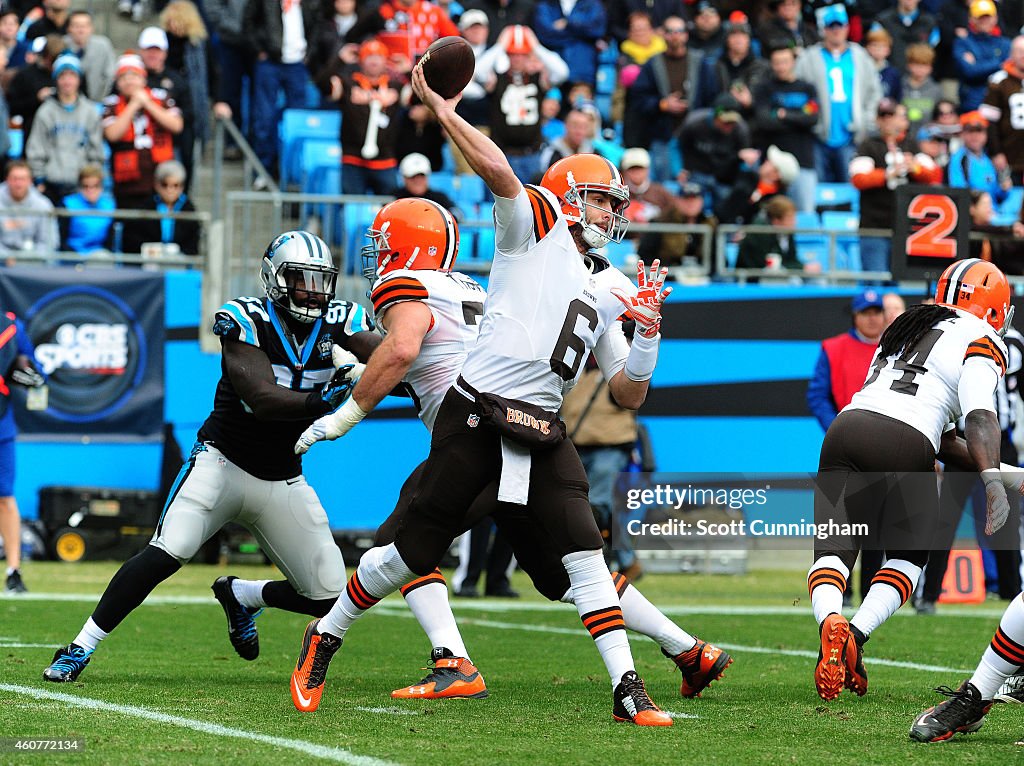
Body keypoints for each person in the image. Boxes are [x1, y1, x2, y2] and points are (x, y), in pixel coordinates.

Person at [286, 56, 687, 726]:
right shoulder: (536, 229)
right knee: (410, 551)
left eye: (615, 202)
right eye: (600, 197)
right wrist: (445, 112)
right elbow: (501, 173)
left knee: (585, 552)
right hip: (475, 413)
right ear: (566, 198)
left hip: (542, 426)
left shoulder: (615, 284)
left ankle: (628, 688)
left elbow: (628, 395)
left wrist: (647, 334)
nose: (612, 210)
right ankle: (325, 634)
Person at [293, 196, 731, 705]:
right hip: (526, 426)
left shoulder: (410, 284)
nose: (379, 254)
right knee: (564, 568)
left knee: (406, 542)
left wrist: (346, 411)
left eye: (384, 243)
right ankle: (686, 650)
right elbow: (428, 359)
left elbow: (405, 350)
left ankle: (439, 657)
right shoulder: (473, 287)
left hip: (476, 429)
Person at [41, 231, 376, 683]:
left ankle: (242, 595)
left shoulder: (345, 319)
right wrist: (325, 398)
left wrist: (395, 354)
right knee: (167, 552)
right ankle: (79, 647)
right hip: (221, 464)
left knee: (330, 595)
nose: (312, 293)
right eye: (301, 280)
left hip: (282, 477)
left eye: (321, 282)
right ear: (275, 279)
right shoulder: (246, 318)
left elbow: (391, 361)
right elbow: (261, 397)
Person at [809, 259, 1014, 702]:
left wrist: (1007, 474)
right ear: (994, 309)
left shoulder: (908, 322)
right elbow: (978, 415)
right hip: (905, 440)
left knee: (835, 547)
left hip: (846, 428)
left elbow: (941, 436)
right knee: (909, 556)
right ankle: (855, 635)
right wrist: (994, 481)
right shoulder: (982, 337)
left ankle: (831, 621)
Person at [850, 98, 942, 274]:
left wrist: (913, 167)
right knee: (876, 279)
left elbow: (934, 175)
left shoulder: (911, 146)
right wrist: (887, 174)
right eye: (884, 116)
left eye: (893, 115)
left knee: (900, 283)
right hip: (875, 227)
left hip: (907, 229)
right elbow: (858, 179)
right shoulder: (869, 145)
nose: (888, 120)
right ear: (878, 120)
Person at [794, 4, 881, 183]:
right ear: (823, 29)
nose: (836, 31)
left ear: (847, 27)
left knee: (850, 185)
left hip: (852, 134)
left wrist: (866, 119)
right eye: (831, 26)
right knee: (819, 188)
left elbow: (874, 92)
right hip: (817, 133)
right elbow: (798, 88)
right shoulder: (808, 57)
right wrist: (808, 117)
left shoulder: (860, 55)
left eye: (840, 25)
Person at [244, 0, 317, 185]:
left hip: (297, 64)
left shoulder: (308, 3)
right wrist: (259, 50)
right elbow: (248, 23)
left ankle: (292, 172)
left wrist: (309, 53)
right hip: (269, 62)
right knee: (264, 117)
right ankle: (263, 169)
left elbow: (316, 25)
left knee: (297, 118)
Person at [102, 54, 184, 210]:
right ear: (117, 82)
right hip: (127, 182)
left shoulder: (161, 97)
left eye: (134, 75)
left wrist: (147, 103)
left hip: (160, 180)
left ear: (143, 78)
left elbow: (176, 125)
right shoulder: (111, 103)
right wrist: (133, 105)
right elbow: (112, 134)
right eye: (124, 77)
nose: (129, 80)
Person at [0, 311, 44, 593]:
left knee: (5, 498)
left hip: (1, 424)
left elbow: (37, 369)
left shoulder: (11, 326)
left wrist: (33, 374)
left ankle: (14, 571)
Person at [26, 53, 104, 206]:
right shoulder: (45, 111)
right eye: (63, 75)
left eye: (72, 75)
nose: (67, 81)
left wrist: (92, 180)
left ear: (79, 80)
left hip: (82, 186)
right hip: (50, 185)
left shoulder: (90, 111)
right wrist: (39, 179)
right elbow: (36, 148)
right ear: (56, 80)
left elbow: (96, 151)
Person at [331, 39, 405, 196]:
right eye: (369, 55)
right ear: (360, 60)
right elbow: (323, 84)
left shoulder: (396, 86)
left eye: (379, 56)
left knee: (390, 211)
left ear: (386, 60)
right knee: (353, 209)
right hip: (353, 159)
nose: (374, 60)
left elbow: (420, 98)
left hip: (385, 161)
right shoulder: (347, 84)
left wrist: (410, 70)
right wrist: (339, 60)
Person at [752, 42, 819, 213]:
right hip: (772, 166)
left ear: (793, 62)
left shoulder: (807, 88)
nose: (781, 67)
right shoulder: (763, 88)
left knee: (804, 214)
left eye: (785, 61)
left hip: (803, 161)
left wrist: (783, 115)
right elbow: (764, 120)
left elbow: (812, 118)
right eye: (777, 62)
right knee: (771, 213)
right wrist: (798, 117)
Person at [120, 159, 200, 257]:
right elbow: (133, 238)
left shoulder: (189, 210)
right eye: (165, 185)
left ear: (182, 187)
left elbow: (192, 243)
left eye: (175, 185)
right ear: (157, 185)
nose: (170, 190)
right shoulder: (145, 207)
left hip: (179, 263)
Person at [637, 181, 716, 268]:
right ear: (677, 200)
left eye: (695, 199)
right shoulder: (662, 221)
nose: (691, 203)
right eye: (686, 199)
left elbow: (717, 257)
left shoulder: (710, 223)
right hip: (668, 275)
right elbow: (646, 254)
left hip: (703, 276)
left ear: (702, 201)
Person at [953, 0, 1010, 113]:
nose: (984, 21)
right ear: (971, 19)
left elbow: (1009, 70)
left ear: (995, 18)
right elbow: (970, 71)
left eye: (988, 17)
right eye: (980, 17)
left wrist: (978, 64)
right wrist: (1000, 63)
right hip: (971, 103)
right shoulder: (962, 42)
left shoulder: (1005, 43)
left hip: (999, 102)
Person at [981, 35, 1024, 185]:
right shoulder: (998, 81)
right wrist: (996, 152)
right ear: (1012, 54)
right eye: (1019, 51)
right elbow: (989, 121)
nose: (1023, 55)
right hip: (1009, 155)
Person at [949, 110, 1011, 205]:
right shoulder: (959, 158)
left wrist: (1004, 189)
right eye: (970, 131)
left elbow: (997, 195)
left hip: (993, 213)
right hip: (972, 215)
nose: (975, 136)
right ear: (963, 134)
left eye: (979, 131)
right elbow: (959, 192)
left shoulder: (989, 159)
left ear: (985, 134)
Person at [0, 161, 58, 259]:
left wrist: (30, 257)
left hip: (34, 262)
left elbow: (50, 242)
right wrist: (6, 256)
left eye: (22, 179)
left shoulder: (43, 205)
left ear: (30, 181)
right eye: (14, 179)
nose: (18, 184)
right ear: (7, 179)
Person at [60, 165, 114, 255]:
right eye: (86, 186)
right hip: (72, 254)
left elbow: (110, 241)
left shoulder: (109, 206)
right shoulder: (68, 204)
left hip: (99, 255)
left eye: (95, 186)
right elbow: (61, 238)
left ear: (101, 187)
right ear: (80, 186)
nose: (91, 190)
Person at [64, 10, 115, 104]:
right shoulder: (62, 45)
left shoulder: (103, 45)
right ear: (68, 28)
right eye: (76, 26)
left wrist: (101, 99)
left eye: (85, 26)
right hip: (66, 102)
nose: (81, 30)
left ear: (91, 28)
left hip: (97, 101)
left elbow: (110, 75)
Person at [393, 152, 462, 218]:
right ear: (404, 178)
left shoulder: (439, 198)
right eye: (412, 177)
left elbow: (457, 213)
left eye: (422, 176)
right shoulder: (394, 198)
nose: (418, 180)